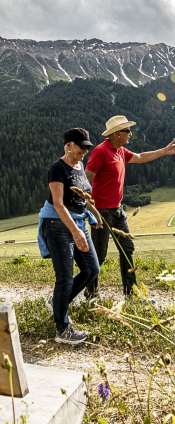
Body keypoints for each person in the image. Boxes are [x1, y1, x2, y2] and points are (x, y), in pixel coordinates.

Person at [85, 115, 175, 298]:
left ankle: (130, 291)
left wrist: (164, 151)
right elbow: (86, 180)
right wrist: (91, 210)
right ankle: (91, 292)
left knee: (127, 248)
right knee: (99, 255)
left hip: (118, 210)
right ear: (116, 134)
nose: (130, 134)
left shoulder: (120, 150)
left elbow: (140, 157)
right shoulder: (101, 152)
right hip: (102, 212)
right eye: (127, 130)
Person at [38, 128, 103, 344]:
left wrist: (94, 213)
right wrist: (76, 232)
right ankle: (62, 330)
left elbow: (82, 197)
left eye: (87, 146)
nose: (85, 150)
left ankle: (57, 303)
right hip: (58, 225)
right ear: (69, 145)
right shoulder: (58, 168)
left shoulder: (80, 166)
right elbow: (58, 204)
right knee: (65, 277)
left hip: (78, 222)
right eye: (81, 146)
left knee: (92, 269)